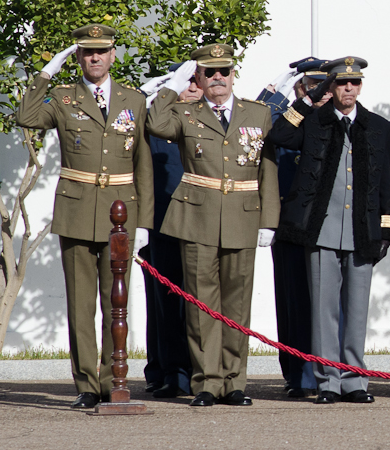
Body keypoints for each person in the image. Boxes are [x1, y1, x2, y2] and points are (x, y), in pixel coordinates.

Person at [15, 24, 153, 409]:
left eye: (102, 51)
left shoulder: (133, 99)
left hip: (120, 213)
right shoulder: (63, 97)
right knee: (80, 303)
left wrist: (143, 221)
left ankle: (114, 378)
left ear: (113, 55)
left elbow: (142, 163)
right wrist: (46, 73)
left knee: (117, 303)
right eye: (87, 52)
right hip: (76, 209)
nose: (95, 58)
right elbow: (26, 116)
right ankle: (87, 384)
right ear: (78, 57)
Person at [146, 43, 279, 407]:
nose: (218, 78)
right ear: (199, 79)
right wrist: (172, 85)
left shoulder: (258, 114)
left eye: (224, 72)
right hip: (198, 217)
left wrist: (269, 220)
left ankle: (235, 381)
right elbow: (156, 124)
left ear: (234, 76)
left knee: (237, 303)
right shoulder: (185, 113)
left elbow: (268, 169)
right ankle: (206, 381)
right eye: (209, 73)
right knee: (201, 304)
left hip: (243, 214)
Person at [268, 56, 390, 404]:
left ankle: (355, 381)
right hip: (322, 229)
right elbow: (279, 133)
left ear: (361, 86)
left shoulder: (380, 127)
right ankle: (327, 380)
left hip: (362, 230)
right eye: (341, 83)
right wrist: (310, 100)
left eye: (354, 83)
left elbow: (386, 182)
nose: (348, 89)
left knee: (356, 310)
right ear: (331, 86)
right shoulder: (314, 122)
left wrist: (387, 230)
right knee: (323, 310)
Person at [258, 56, 325, 397]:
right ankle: (298, 374)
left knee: (325, 303)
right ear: (300, 88)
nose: (324, 91)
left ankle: (329, 372)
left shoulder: (335, 119)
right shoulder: (285, 118)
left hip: (326, 224)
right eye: (315, 85)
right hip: (287, 223)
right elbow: (258, 123)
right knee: (293, 302)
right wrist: (279, 90)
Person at [139, 65, 199, 399]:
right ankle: (168, 370)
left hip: (200, 223)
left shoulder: (212, 119)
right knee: (164, 302)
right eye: (184, 82)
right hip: (162, 225)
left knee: (199, 302)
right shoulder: (155, 122)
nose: (191, 87)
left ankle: (197, 370)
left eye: (195, 80)